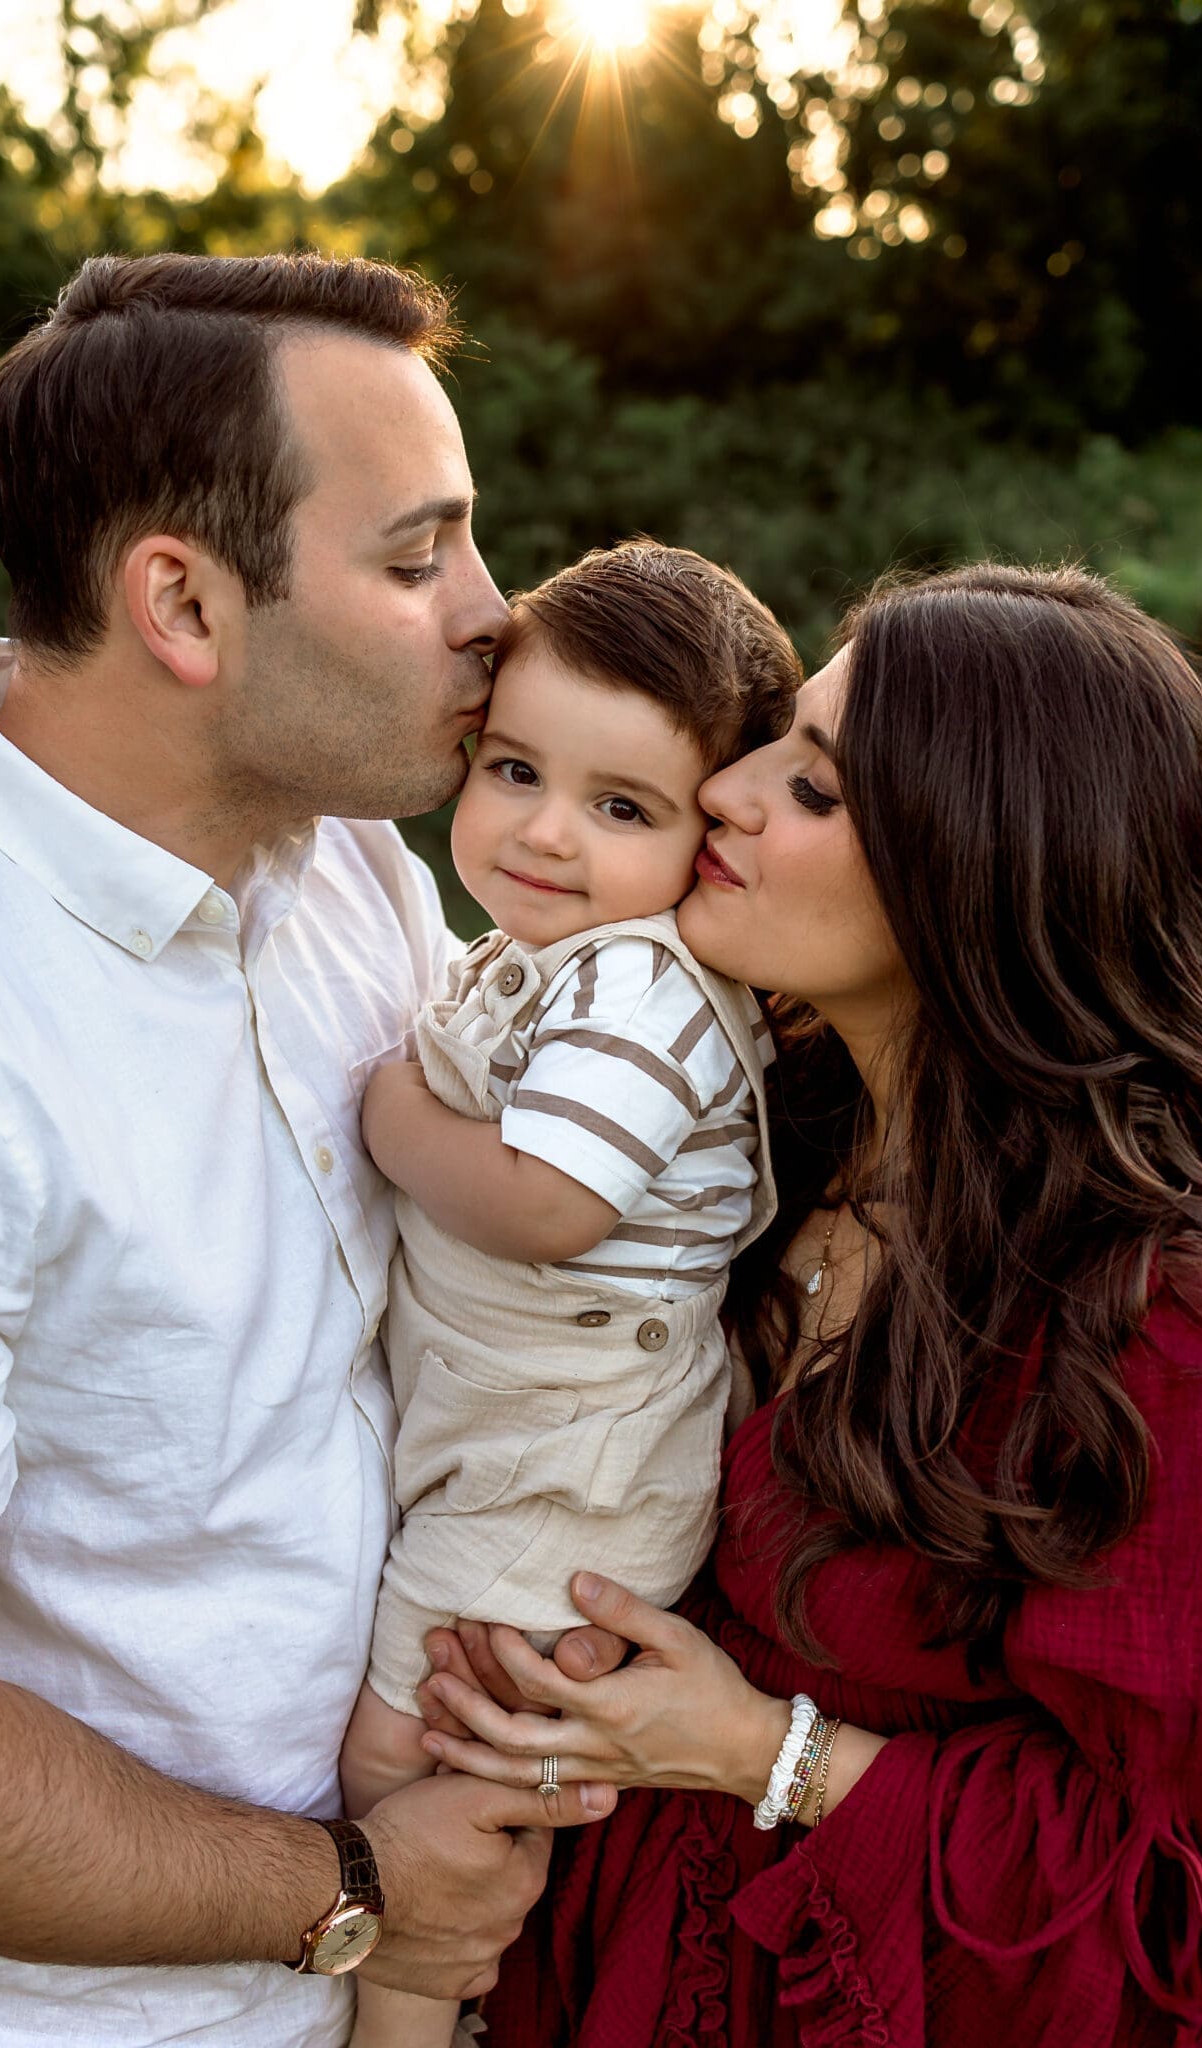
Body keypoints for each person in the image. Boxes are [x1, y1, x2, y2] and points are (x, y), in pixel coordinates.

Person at [0, 251, 618, 2048]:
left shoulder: (347, 862)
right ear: (183, 605)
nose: (491, 617)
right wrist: (357, 1894)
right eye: (414, 554)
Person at [410, 564, 1202, 2045]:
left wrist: (758, 1750)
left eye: (812, 787)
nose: (722, 792)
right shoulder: (751, 1137)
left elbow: (1161, 1892)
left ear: (973, 865)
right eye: (768, 743)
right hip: (604, 1969)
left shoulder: (1168, 1321)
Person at [340, 541, 798, 2048]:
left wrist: (392, 1119)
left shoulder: (641, 992)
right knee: (450, 1765)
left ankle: (416, 2015)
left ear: (707, 837)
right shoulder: (544, 958)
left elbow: (547, 1205)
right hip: (519, 1444)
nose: (543, 834)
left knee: (402, 1770)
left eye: (620, 809)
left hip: (567, 1474)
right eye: (514, 769)